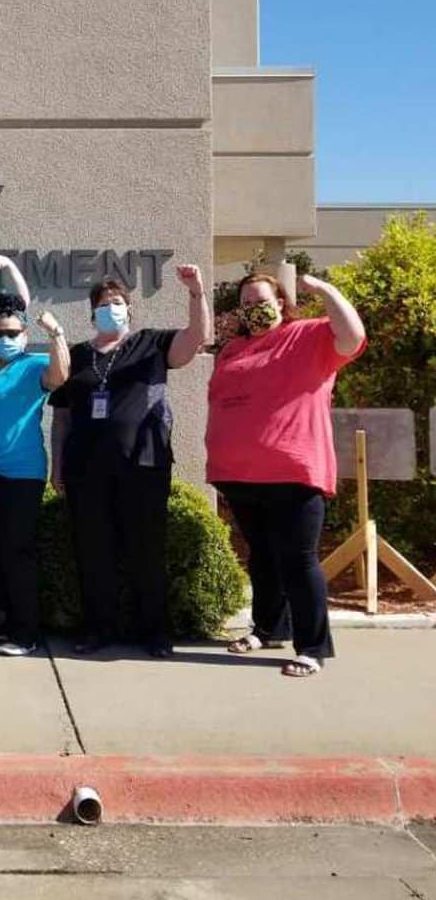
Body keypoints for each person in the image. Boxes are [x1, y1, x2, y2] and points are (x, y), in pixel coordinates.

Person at [206, 272, 365, 678]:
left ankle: (312, 647)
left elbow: (351, 338)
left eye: (261, 299)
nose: (253, 307)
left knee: (298, 560)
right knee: (262, 557)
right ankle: (268, 628)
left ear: (280, 302)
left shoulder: (309, 336)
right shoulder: (234, 349)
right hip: (240, 475)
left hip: (294, 472)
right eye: (245, 301)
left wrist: (327, 292)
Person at [50, 266, 211, 658]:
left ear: (130, 310)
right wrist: (57, 466)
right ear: (92, 314)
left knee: (146, 550)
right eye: (103, 305)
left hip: (144, 464)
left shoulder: (150, 344)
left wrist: (196, 294)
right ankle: (98, 629)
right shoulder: (78, 356)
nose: (111, 309)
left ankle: (153, 632)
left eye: (118, 303)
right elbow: (62, 416)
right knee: (93, 551)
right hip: (86, 470)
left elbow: (194, 341)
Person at [0, 294, 70, 656]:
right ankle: (4, 620)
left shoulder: (32, 366)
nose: (4, 337)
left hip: (20, 474)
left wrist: (56, 335)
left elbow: (59, 376)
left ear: (23, 335)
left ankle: (26, 633)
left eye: (11, 332)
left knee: (16, 550)